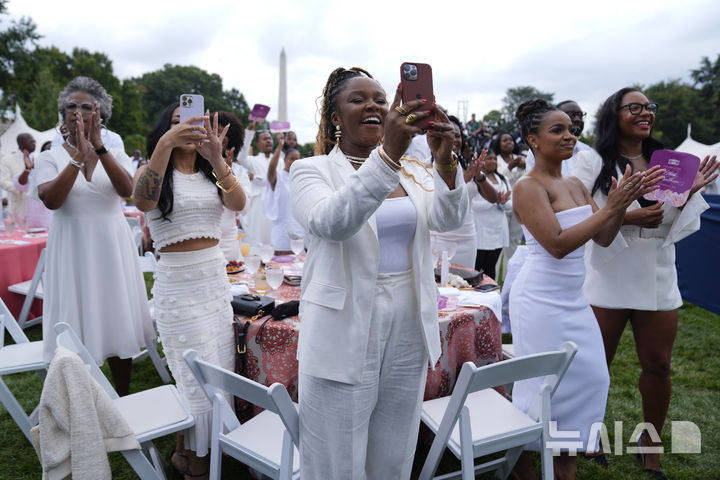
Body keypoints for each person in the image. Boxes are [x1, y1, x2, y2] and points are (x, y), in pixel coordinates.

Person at [290, 67, 468, 479]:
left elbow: (448, 218)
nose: (373, 105)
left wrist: (444, 160)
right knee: (337, 449)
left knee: (394, 444)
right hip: (344, 318)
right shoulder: (311, 170)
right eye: (358, 99)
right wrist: (387, 155)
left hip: (409, 315)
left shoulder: (413, 170)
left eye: (380, 99)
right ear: (335, 117)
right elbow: (332, 222)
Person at [509, 98, 662, 480]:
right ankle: (522, 463)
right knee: (545, 386)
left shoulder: (575, 183)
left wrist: (618, 206)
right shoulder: (528, 187)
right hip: (540, 298)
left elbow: (605, 237)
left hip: (574, 299)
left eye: (572, 130)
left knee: (593, 377)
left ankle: (565, 466)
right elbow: (558, 244)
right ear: (533, 140)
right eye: (557, 130)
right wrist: (611, 209)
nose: (569, 136)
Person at [572, 87, 718, 479]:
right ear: (613, 114)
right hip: (610, 266)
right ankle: (590, 434)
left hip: (657, 269)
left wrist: (690, 194)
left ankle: (649, 444)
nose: (644, 113)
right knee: (596, 363)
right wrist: (630, 216)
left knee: (659, 363)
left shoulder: (668, 159)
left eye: (648, 107)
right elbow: (581, 217)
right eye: (633, 107)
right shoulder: (592, 161)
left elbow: (671, 218)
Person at [133, 102, 246, 479]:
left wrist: (216, 157)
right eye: (178, 122)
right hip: (177, 287)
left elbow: (238, 203)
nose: (187, 128)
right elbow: (143, 201)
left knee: (218, 370)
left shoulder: (211, 170)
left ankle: (190, 451)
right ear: (166, 128)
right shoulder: (151, 171)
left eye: (195, 121)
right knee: (192, 376)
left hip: (214, 282)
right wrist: (164, 145)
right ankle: (198, 466)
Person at [34, 76, 154, 397]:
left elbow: (127, 191)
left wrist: (98, 148)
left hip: (110, 247)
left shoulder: (111, 152)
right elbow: (52, 200)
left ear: (99, 114)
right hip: (71, 247)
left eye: (86, 107)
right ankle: (77, 397)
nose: (77, 112)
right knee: (73, 320)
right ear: (63, 114)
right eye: (71, 106)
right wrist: (76, 156)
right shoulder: (49, 157)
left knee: (115, 315)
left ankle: (123, 396)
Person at [431, 115, 494, 269]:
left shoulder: (468, 165)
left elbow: (493, 198)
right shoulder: (425, 167)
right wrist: (465, 178)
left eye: (456, 135)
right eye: (447, 134)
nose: (452, 139)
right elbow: (440, 198)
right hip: (440, 236)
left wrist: (479, 176)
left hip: (467, 236)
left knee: (465, 286)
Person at [216, 111, 251, 263]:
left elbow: (244, 208)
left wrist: (228, 176)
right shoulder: (193, 167)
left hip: (228, 249)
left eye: (218, 132)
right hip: (198, 250)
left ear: (227, 140)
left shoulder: (238, 171)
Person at [472, 150, 512, 279]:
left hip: (498, 230)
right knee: (476, 268)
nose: (493, 161)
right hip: (480, 230)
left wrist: (502, 203)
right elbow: (471, 205)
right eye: (489, 158)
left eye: (495, 158)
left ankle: (491, 293)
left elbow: (510, 205)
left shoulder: (503, 179)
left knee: (490, 269)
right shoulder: (475, 179)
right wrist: (494, 201)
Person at [525, 100, 592, 175]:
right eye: (557, 131)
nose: (577, 119)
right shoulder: (537, 152)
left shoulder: (588, 150)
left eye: (580, 115)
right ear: (533, 141)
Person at [492, 131, 526, 278]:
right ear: (499, 144)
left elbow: (525, 179)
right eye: (504, 140)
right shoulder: (496, 159)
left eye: (511, 140)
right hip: (502, 206)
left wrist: (520, 167)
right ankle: (492, 276)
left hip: (519, 205)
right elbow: (499, 179)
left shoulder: (521, 158)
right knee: (499, 244)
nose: (509, 142)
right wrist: (511, 166)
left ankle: (509, 279)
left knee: (513, 242)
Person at [264, 133, 304, 253]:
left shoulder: (301, 179)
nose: (295, 162)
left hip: (301, 233)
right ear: (285, 160)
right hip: (282, 233)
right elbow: (271, 170)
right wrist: (279, 147)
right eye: (292, 158)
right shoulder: (279, 177)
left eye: (298, 159)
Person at [243, 130, 275, 247]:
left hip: (275, 204)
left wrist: (256, 178)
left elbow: (276, 182)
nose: (268, 141)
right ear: (257, 143)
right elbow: (241, 157)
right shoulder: (252, 160)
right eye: (264, 139)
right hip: (258, 204)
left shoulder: (279, 161)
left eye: (270, 138)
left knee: (274, 238)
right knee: (257, 236)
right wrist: (249, 133)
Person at [0, 133, 36, 219]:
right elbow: (4, 182)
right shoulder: (7, 160)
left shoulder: (39, 158)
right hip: (18, 208)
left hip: (37, 208)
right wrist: (22, 188)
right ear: (21, 143)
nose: (34, 143)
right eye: (31, 141)